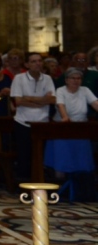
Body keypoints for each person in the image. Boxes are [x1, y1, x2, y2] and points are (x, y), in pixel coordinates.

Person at [44, 67, 98, 200]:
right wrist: (65, 118)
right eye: (73, 78)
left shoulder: (85, 90)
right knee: (63, 160)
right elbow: (60, 105)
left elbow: (95, 103)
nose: (76, 81)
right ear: (67, 80)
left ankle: (81, 189)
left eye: (79, 78)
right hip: (63, 129)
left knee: (82, 160)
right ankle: (62, 188)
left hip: (81, 129)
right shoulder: (61, 90)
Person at [10, 52, 55, 181]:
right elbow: (18, 101)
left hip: (42, 123)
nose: (37, 64)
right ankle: (23, 183)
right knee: (24, 155)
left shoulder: (47, 78)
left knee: (40, 155)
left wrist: (29, 98)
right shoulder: (19, 78)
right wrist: (42, 100)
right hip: (23, 122)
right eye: (33, 61)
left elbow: (52, 100)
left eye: (39, 61)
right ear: (27, 64)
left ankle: (40, 181)